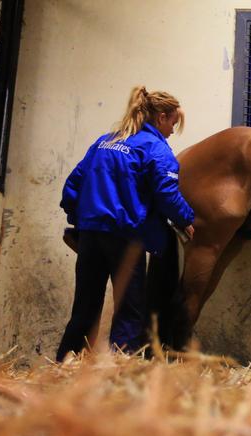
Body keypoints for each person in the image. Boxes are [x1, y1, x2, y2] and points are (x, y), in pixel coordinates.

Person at [56, 86, 195, 361]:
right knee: (129, 309)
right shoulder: (155, 148)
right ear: (162, 117)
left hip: (91, 235)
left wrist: (81, 220)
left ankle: (65, 364)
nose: (171, 131)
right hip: (125, 237)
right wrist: (187, 218)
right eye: (172, 124)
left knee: (85, 306)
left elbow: (72, 186)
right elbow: (166, 193)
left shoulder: (103, 142)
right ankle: (120, 369)